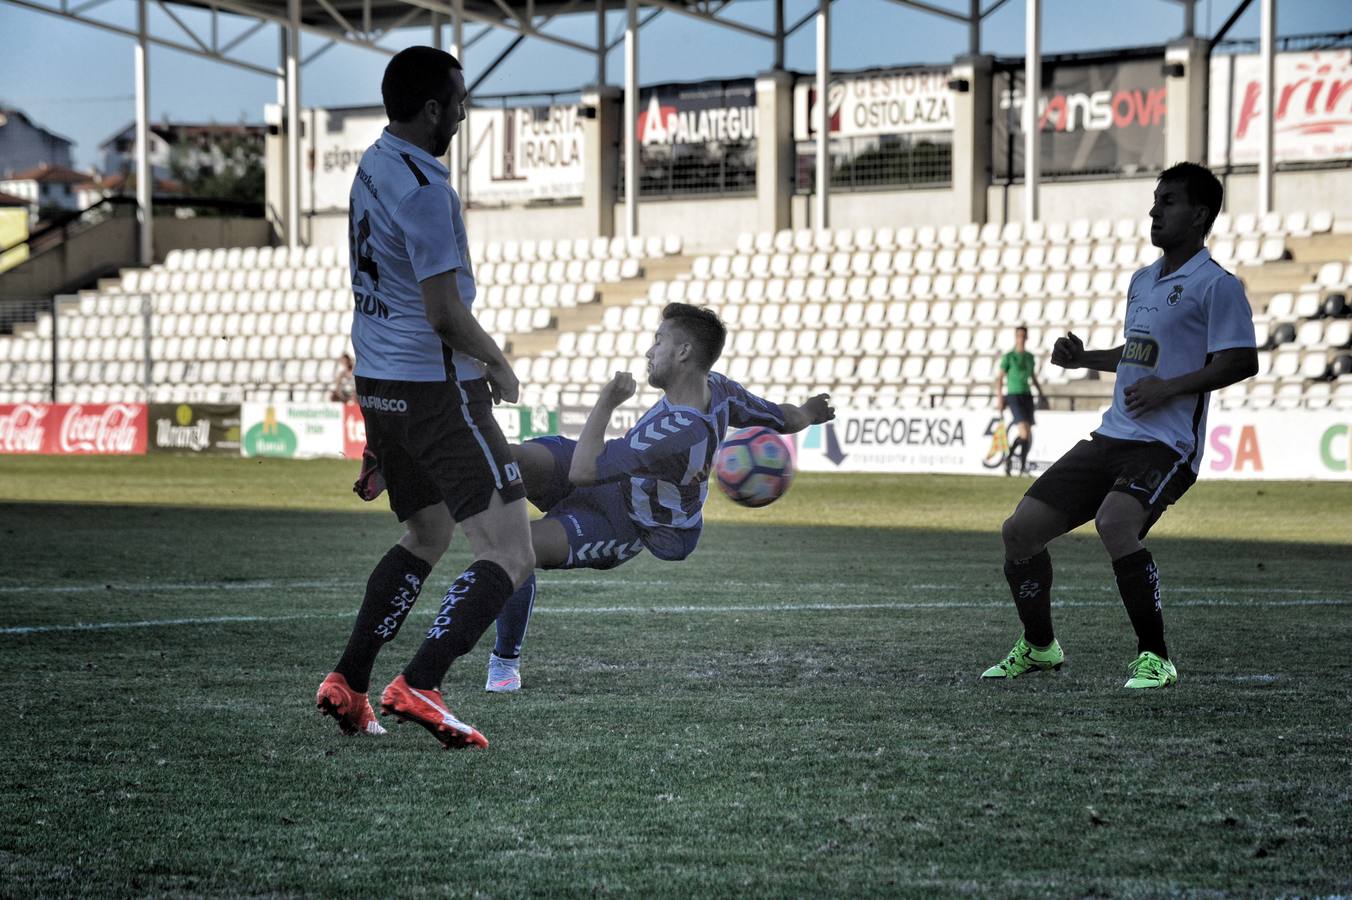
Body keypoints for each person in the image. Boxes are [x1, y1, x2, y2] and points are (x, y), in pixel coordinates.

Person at [314, 46, 535, 749]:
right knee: (510, 549)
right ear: (435, 107)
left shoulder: (373, 164)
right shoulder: (425, 188)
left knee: (427, 533)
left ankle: (349, 681)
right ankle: (422, 682)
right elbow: (443, 312)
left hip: (381, 385)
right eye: (460, 102)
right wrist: (496, 362)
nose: (465, 114)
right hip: (438, 390)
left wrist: (384, 430)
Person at [981, 162, 1258, 689]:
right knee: (1018, 532)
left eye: (1169, 201)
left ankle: (1156, 657)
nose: (1155, 210)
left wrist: (1169, 388)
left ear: (1200, 214)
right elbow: (1140, 355)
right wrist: (1085, 356)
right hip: (1113, 434)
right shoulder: (1142, 280)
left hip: (1166, 444)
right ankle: (1040, 648)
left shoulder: (1217, 286)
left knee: (1115, 522)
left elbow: (1242, 360)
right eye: (1155, 200)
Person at [479, 302, 835, 692]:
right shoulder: (720, 390)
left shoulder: (678, 431)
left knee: (516, 551)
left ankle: (504, 662)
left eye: (658, 340)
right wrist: (809, 412)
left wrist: (607, 400)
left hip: (624, 522)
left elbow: (582, 472)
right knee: (506, 457)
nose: (649, 351)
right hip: (616, 475)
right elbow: (780, 417)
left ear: (683, 352)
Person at [995, 326, 1042, 475]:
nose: (1021, 338)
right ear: (1016, 337)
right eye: (1019, 336)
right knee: (1023, 433)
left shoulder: (1029, 357)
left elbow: (1032, 377)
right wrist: (1000, 397)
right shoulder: (1009, 356)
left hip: (1027, 395)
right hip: (1013, 395)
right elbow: (1000, 377)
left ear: (1026, 338)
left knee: (1027, 433)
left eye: (1023, 336)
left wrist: (1041, 393)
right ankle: (1010, 459)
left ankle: (1021, 467)